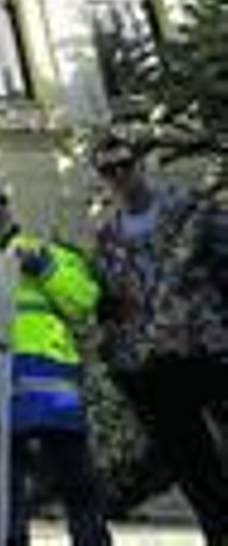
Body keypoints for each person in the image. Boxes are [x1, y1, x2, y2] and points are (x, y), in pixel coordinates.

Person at [88, 133, 228, 544]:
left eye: (124, 164)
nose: (119, 175)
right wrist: (116, 358)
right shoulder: (106, 238)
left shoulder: (190, 210)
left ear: (140, 164)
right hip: (150, 367)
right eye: (108, 169)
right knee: (194, 470)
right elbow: (109, 303)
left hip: (207, 349)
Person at [0, 183, 111, 546]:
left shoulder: (44, 251)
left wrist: (44, 270)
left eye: (1, 202)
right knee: (7, 500)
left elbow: (85, 301)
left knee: (79, 491)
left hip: (55, 396)